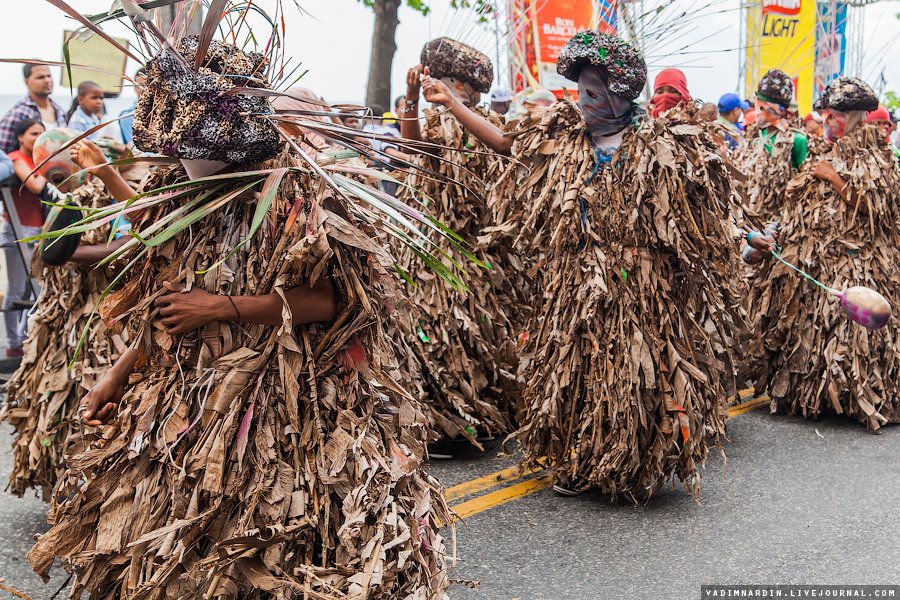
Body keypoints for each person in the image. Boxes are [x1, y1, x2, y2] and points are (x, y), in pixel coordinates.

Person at [28, 37, 452, 599]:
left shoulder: (298, 193)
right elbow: (166, 303)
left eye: (193, 148)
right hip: (189, 395)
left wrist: (222, 307)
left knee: (269, 533)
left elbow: (330, 302)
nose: (183, 162)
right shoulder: (180, 193)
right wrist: (118, 372)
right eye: (176, 150)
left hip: (281, 398)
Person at [461, 31, 766, 498]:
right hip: (578, 284)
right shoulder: (566, 138)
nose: (581, 101)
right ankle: (581, 463)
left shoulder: (661, 147)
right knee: (580, 369)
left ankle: (633, 465)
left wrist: (747, 236)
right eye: (579, 90)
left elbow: (706, 210)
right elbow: (506, 144)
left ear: (619, 96)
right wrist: (449, 105)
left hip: (642, 289)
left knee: (632, 378)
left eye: (592, 92)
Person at [747, 76, 900, 429]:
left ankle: (855, 397)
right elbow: (799, 206)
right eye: (827, 115)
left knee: (851, 333)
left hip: (859, 264)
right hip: (816, 260)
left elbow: (877, 209)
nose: (830, 122)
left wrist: (835, 178)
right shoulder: (820, 151)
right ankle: (815, 396)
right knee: (813, 330)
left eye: (836, 116)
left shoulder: (878, 157)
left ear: (857, 117)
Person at [2, 119, 47, 357]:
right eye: (34, 133)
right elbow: (37, 185)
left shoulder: (38, 159)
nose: (39, 137)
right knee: (16, 290)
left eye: (42, 133)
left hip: (37, 227)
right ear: (21, 136)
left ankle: (23, 338)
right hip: (19, 228)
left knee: (34, 290)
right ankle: (12, 343)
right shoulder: (16, 158)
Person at [0, 64, 66, 154]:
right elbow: (3, 151)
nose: (47, 80)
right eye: (40, 77)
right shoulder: (18, 113)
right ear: (27, 82)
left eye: (49, 76)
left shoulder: (59, 111)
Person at [118, 67, 146, 144]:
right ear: (135, 87)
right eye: (140, 85)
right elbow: (136, 149)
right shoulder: (128, 117)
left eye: (148, 85)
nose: (144, 89)